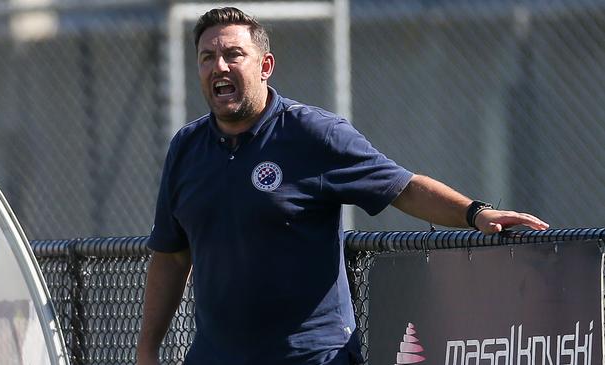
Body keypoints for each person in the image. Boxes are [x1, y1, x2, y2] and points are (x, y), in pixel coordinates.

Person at [136, 7, 549, 365]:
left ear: (265, 66)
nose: (219, 66)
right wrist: (147, 352)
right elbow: (171, 258)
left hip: (310, 356)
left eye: (233, 55)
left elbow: (402, 187)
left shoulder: (314, 134)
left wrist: (475, 213)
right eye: (207, 57)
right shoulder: (186, 149)